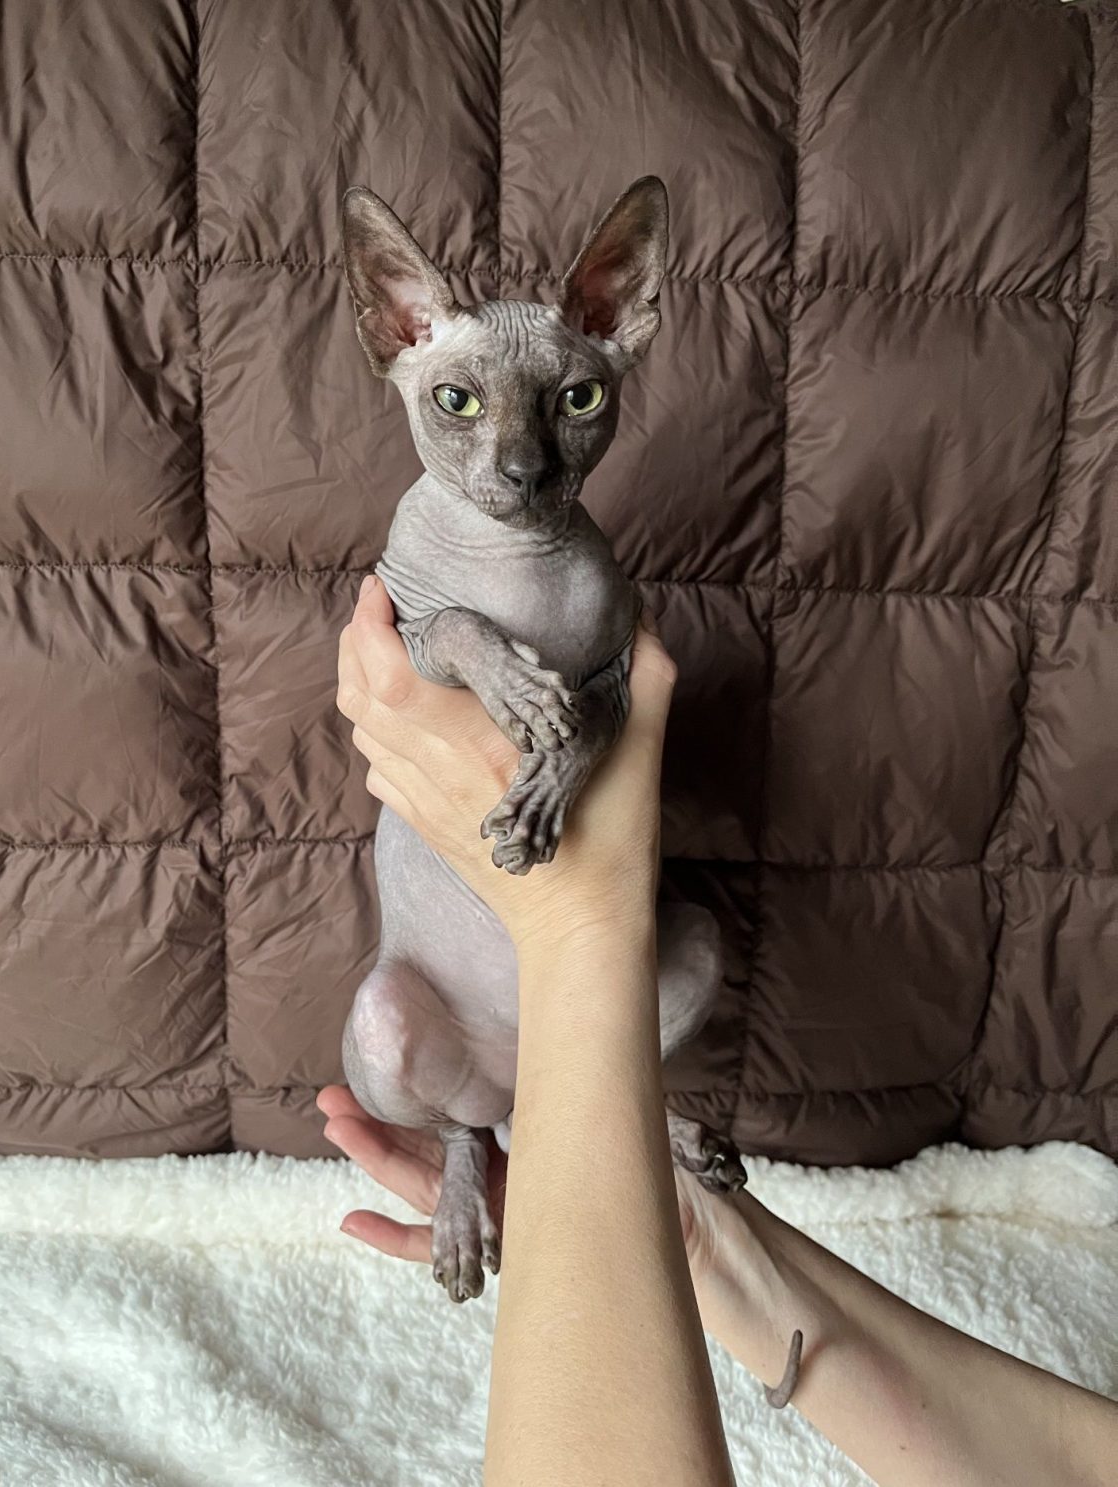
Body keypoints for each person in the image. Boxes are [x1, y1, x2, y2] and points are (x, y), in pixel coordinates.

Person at [318, 573, 1118, 1487]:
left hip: (539, 996)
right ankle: (489, 1133)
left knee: (681, 954)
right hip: (471, 1043)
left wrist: (581, 925)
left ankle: (503, 1127)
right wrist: (700, 1242)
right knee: (391, 1039)